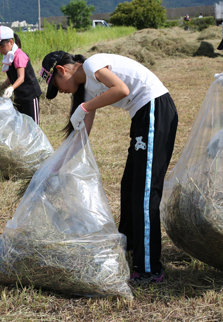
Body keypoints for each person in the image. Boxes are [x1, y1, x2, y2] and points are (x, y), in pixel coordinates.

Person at [40, 51, 178, 284]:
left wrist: (84, 107)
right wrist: (58, 165)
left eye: (56, 85)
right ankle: (131, 248)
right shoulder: (88, 89)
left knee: (145, 191)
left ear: (62, 70)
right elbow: (83, 133)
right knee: (129, 186)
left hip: (154, 108)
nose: (60, 91)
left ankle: (149, 269)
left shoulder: (93, 64)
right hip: (142, 116)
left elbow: (121, 90)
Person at [0, 26, 42, 124]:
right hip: (19, 96)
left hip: (30, 95)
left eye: (2, 47)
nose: (0, 50)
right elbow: (11, 78)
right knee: (21, 124)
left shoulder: (19, 55)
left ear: (11, 42)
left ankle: (37, 139)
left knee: (33, 125)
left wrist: (11, 88)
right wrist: (0, 88)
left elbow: (21, 78)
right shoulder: (9, 57)